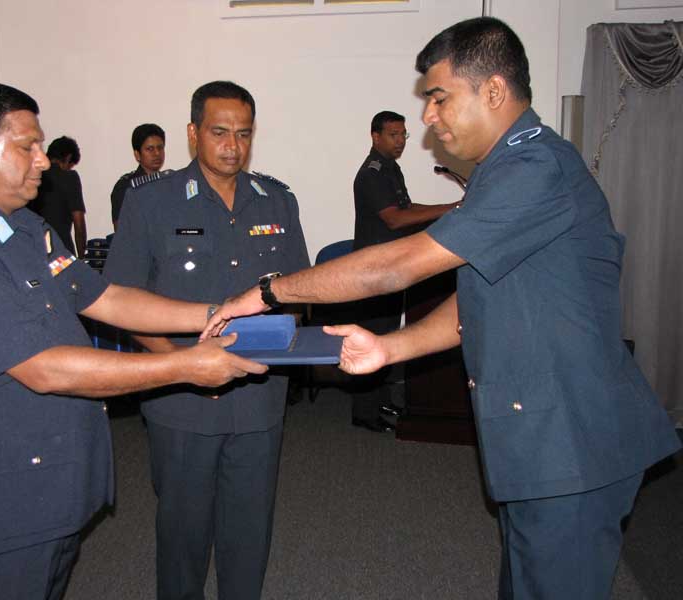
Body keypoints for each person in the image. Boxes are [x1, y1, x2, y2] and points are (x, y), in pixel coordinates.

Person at [204, 18, 682, 600]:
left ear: (494, 91)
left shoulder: (536, 169)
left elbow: (395, 266)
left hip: (572, 440)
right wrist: (391, 347)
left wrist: (267, 292)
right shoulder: (504, 171)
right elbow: (477, 298)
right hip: (540, 438)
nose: (428, 115)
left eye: (438, 97)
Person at [0, 79, 266, 600]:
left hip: (38, 492)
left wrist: (217, 311)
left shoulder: (24, 230)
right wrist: (186, 366)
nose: (43, 160)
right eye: (28, 147)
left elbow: (106, 298)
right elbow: (44, 367)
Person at [105, 80, 310, 600]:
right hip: (182, 400)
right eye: (219, 132)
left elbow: (299, 290)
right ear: (193, 133)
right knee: (183, 532)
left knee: (249, 530)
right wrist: (181, 365)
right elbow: (121, 302)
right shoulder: (150, 202)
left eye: (243, 134)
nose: (232, 146)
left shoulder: (277, 201)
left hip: (259, 396)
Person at [350, 110, 459, 433]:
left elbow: (408, 209)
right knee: (374, 336)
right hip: (373, 272)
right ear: (376, 136)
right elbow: (395, 219)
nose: (400, 141)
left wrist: (448, 209)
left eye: (403, 135)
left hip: (392, 267)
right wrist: (452, 208)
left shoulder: (390, 168)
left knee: (387, 335)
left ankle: (381, 400)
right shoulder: (372, 173)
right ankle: (364, 413)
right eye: (393, 135)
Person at [28, 135, 87, 256]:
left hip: (34, 250)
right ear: (68, 157)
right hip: (61, 250)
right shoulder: (69, 178)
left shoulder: (33, 177)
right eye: (70, 165)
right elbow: (79, 222)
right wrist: (81, 257)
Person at [110, 123, 167, 230]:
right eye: (150, 149)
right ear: (137, 155)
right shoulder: (125, 187)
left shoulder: (170, 182)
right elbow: (121, 231)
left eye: (160, 148)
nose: (157, 153)